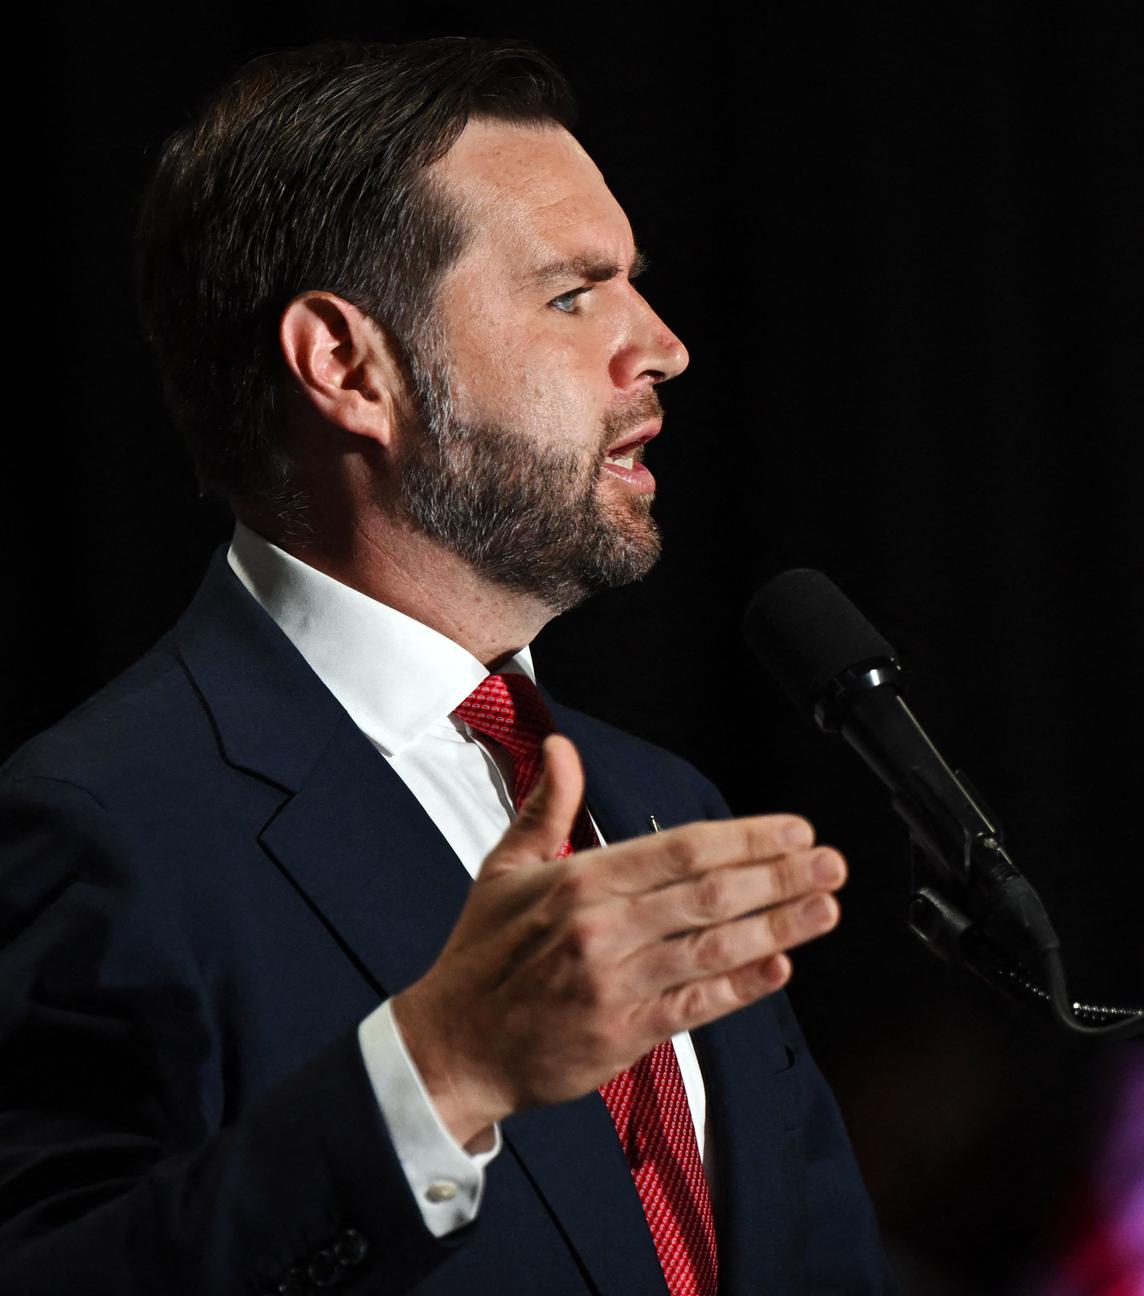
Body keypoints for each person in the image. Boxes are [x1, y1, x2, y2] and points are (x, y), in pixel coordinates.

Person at [0, 37, 894, 1295]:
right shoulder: (105, 823)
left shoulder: (662, 807)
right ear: (348, 367)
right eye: (575, 296)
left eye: (633, 282)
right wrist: (441, 1071)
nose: (663, 345)